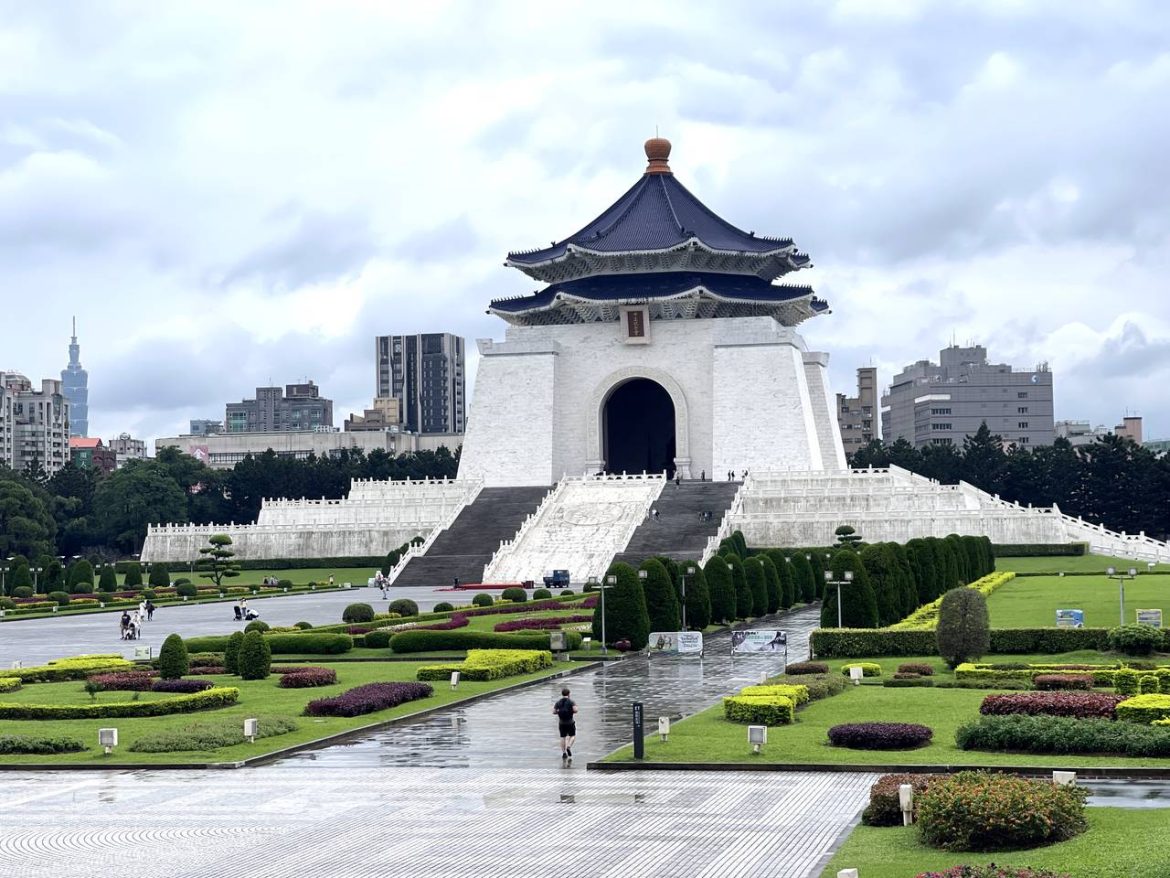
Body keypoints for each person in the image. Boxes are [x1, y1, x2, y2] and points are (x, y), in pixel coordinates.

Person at [553, 687, 577, 760]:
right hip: (570, 722)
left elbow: (554, 712)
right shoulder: (571, 701)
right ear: (569, 694)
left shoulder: (558, 702)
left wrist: (559, 711)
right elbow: (575, 710)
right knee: (572, 735)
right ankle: (569, 746)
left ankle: (564, 752)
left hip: (561, 722)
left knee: (562, 737)